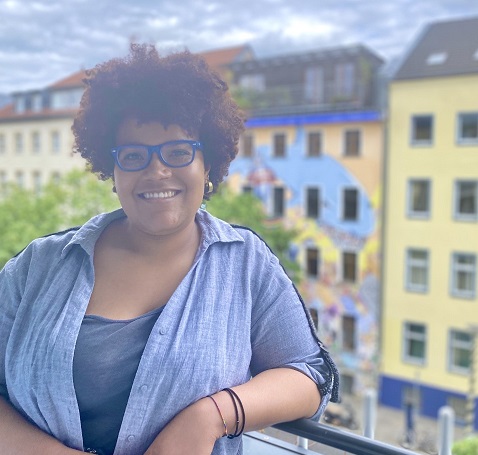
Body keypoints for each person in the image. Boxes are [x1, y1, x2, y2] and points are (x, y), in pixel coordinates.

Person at [0, 44, 339, 455]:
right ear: (113, 170)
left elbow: (311, 374)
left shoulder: (246, 262)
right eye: (133, 155)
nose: (156, 170)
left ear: (208, 163)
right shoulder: (37, 266)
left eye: (179, 151)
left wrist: (211, 416)